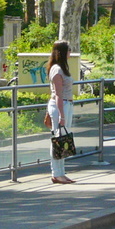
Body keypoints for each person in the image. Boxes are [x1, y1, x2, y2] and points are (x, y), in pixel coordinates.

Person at [46, 41, 74, 184]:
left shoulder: (62, 68)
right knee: (58, 140)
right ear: (62, 52)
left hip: (66, 104)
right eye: (69, 50)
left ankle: (61, 172)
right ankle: (56, 173)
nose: (70, 53)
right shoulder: (57, 69)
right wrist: (61, 115)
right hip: (60, 105)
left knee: (63, 140)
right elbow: (57, 94)